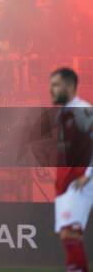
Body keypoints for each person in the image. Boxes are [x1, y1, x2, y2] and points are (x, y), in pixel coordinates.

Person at [49, 68, 92, 271]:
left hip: (80, 180)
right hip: (66, 182)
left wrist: (88, 175)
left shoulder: (82, 110)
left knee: (70, 234)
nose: (52, 89)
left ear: (70, 86)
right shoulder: (62, 114)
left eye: (56, 84)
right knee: (68, 236)